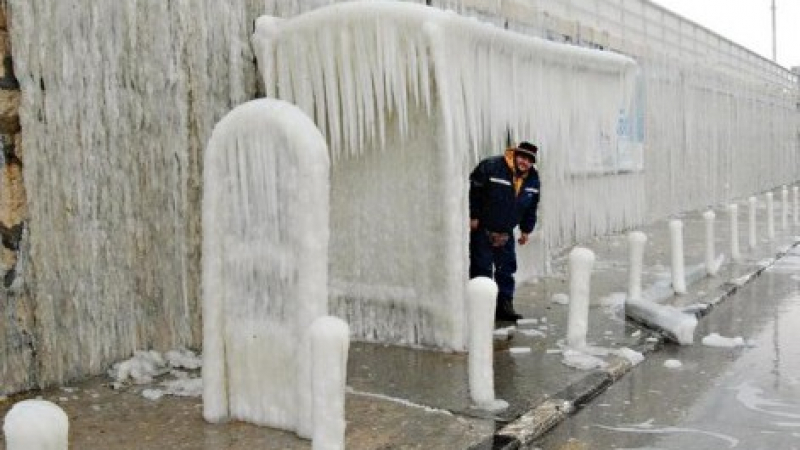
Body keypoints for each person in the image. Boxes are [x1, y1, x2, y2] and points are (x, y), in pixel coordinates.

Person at [468, 141, 540, 322]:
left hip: (507, 231)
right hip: (483, 228)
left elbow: (531, 207)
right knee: (482, 268)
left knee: (506, 271)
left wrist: (525, 230)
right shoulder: (492, 166)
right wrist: (474, 215)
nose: (524, 162)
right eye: (522, 157)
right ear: (515, 154)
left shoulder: (533, 179)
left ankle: (504, 307)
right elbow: (474, 190)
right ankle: (481, 308)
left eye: (529, 160)